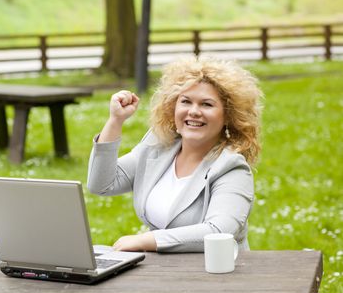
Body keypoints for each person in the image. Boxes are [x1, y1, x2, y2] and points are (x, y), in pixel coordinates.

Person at [87, 56, 262, 252]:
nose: (194, 111)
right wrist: (115, 121)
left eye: (207, 104)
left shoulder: (231, 167)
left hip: (216, 273)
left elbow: (220, 231)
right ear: (173, 107)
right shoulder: (157, 147)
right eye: (186, 101)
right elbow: (101, 184)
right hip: (161, 271)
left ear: (228, 116)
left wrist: (148, 240)